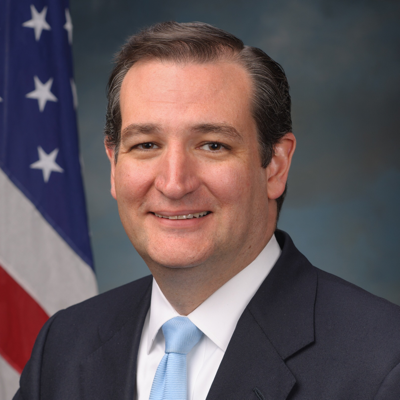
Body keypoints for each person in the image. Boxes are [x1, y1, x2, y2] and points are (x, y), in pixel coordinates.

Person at [14, 21, 400, 400]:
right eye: (146, 145)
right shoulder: (63, 347)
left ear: (275, 166)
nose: (174, 183)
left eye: (213, 145)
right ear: (114, 165)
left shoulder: (383, 363)